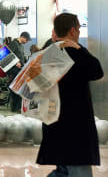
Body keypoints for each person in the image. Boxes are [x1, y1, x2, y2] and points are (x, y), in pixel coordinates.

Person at [27, 13, 104, 176]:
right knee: (77, 170)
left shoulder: (46, 54)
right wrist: (80, 48)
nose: (79, 32)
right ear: (72, 31)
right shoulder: (75, 54)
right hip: (75, 125)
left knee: (63, 170)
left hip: (54, 119)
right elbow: (97, 71)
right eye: (78, 28)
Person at [8, 31, 31, 112]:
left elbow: (21, 57)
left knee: (19, 89)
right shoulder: (13, 43)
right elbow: (8, 55)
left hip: (20, 70)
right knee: (14, 89)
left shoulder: (21, 46)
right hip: (13, 71)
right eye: (27, 40)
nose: (27, 42)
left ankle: (18, 107)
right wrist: (15, 62)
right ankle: (14, 108)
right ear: (22, 37)